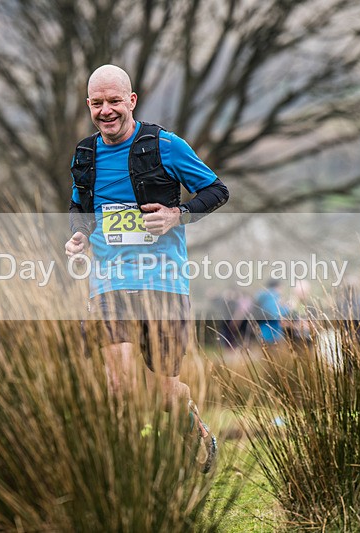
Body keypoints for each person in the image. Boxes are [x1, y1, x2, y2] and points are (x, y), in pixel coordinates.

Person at [64, 64, 229, 473]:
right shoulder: (85, 155)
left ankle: (194, 427)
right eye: (97, 103)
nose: (106, 111)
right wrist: (78, 236)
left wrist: (179, 214)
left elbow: (217, 190)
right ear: (88, 105)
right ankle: (126, 475)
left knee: (163, 390)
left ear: (131, 101)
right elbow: (79, 210)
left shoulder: (165, 146)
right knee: (118, 385)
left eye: (115, 101)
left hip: (163, 282)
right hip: (108, 284)